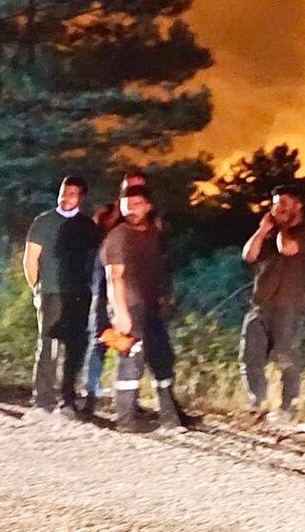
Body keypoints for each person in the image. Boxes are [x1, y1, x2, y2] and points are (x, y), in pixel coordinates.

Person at [101, 185, 183, 432]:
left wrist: (165, 298)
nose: (131, 209)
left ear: (148, 206)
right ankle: (126, 421)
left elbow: (160, 269)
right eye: (127, 204)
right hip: (130, 305)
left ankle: (170, 418)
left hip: (152, 307)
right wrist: (120, 312)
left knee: (162, 359)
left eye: (137, 204)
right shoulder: (118, 236)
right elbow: (113, 277)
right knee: (131, 362)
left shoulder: (153, 233)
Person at [240, 184, 305, 422]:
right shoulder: (268, 234)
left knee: (287, 357)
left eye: (284, 203)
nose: (278, 208)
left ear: (298, 205)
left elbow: (287, 249)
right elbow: (249, 255)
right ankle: (257, 403)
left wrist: (281, 228)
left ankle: (289, 409)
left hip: (290, 306)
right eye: (275, 203)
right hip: (260, 304)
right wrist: (262, 229)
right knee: (250, 356)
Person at [22, 176, 101, 419]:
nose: (66, 197)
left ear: (81, 197)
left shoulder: (88, 227)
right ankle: (42, 401)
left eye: (72, 193)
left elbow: (95, 260)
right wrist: (37, 288)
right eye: (63, 192)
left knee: (75, 348)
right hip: (50, 292)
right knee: (48, 346)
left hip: (79, 294)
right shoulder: (43, 222)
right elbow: (30, 259)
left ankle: (68, 399)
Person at [82, 170, 150, 417]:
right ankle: (90, 395)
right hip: (104, 285)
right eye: (129, 188)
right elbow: (96, 238)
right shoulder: (108, 214)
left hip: (135, 291)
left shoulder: (149, 221)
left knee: (133, 346)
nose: (133, 192)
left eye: (139, 189)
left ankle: (130, 400)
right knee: (100, 339)